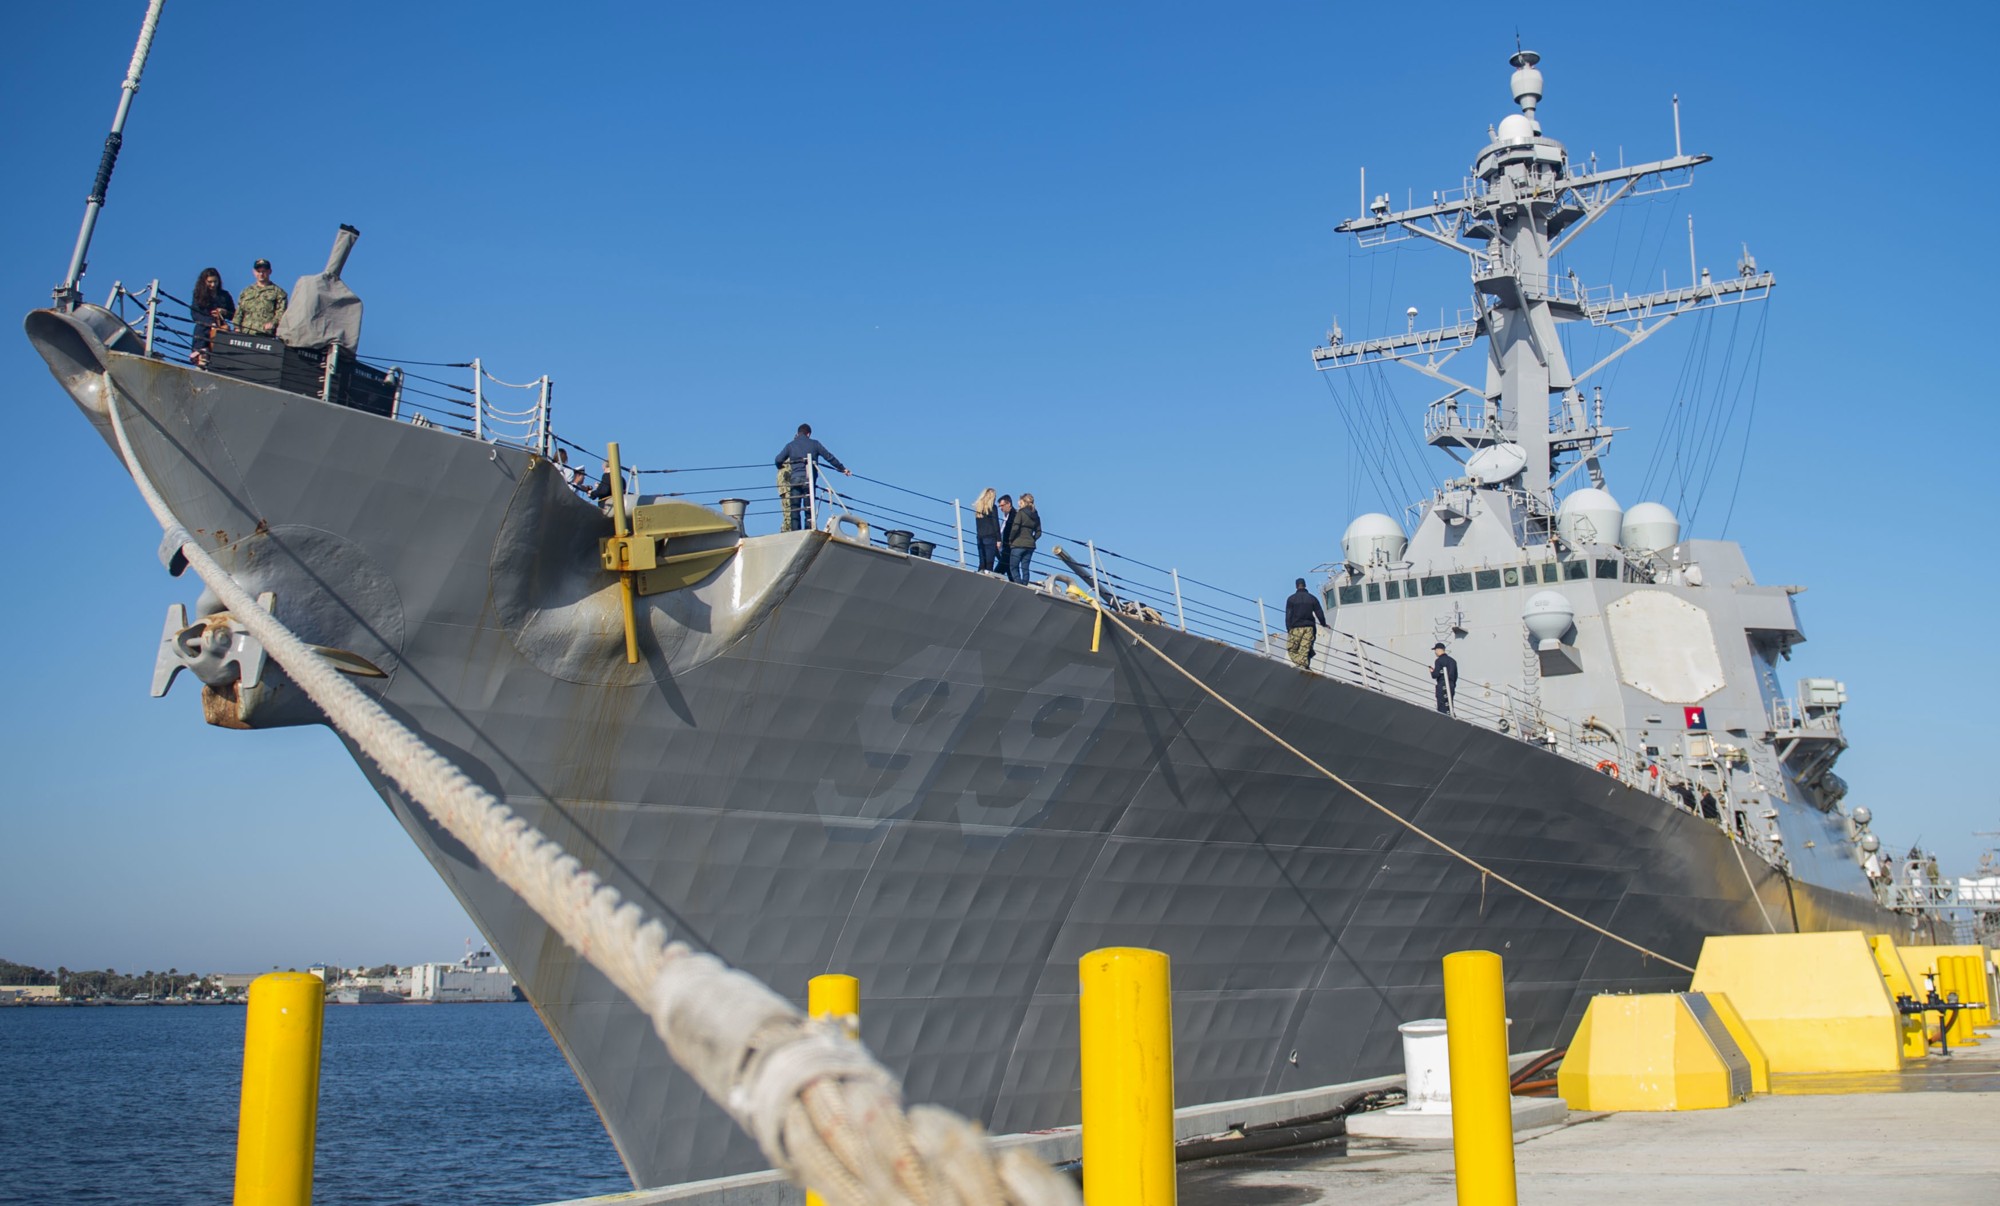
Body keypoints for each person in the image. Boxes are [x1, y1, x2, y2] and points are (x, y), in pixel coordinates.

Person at [774, 423, 850, 533]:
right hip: (808, 480)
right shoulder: (814, 444)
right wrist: (842, 468)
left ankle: (796, 532)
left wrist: (780, 466)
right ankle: (808, 529)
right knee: (808, 508)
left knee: (795, 508)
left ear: (798, 433)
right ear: (808, 434)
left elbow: (778, 459)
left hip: (795, 479)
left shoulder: (790, 445)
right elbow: (829, 457)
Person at [188, 267, 234, 366]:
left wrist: (224, 312)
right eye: (210, 282)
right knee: (203, 357)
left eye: (215, 282)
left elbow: (234, 315)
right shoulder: (198, 294)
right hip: (203, 330)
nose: (213, 285)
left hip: (220, 331)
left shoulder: (225, 295)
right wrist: (210, 323)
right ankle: (200, 357)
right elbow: (195, 314)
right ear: (204, 281)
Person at [235, 258, 288, 335]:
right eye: (258, 271)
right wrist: (237, 327)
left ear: (270, 272)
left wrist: (273, 323)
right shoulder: (246, 292)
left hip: (264, 334)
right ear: (253, 272)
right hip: (245, 333)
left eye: (264, 271)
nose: (261, 274)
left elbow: (281, 313)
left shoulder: (279, 293)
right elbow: (239, 312)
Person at [1284, 578, 1326, 668]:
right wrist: (1323, 624)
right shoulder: (1312, 598)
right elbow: (1320, 613)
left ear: (1296, 586)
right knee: (1305, 650)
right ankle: (1303, 664)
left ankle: (1302, 665)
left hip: (1296, 628)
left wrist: (1288, 628)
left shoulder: (1291, 599)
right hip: (1309, 628)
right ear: (1305, 585)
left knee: (1291, 648)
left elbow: (1288, 615)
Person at [1006, 492, 1040, 583]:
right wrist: (1033, 539)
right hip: (1030, 545)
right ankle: (1025, 584)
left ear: (1023, 502)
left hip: (1018, 543)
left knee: (1013, 566)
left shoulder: (1020, 513)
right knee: (1025, 567)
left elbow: (1015, 528)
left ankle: (1018, 583)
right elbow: (1039, 532)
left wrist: (1010, 539)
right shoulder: (1036, 515)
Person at [972, 488, 1003, 573]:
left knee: (982, 562)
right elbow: (995, 523)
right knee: (989, 564)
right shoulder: (993, 508)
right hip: (990, 537)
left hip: (980, 537)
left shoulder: (979, 508)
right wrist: (999, 539)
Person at [1430, 642, 1458, 714]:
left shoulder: (1439, 661)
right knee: (1449, 704)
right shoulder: (1453, 661)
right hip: (1451, 685)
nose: (1435, 652)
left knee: (1442, 706)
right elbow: (1456, 676)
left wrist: (1431, 671)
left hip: (1442, 684)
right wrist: (1452, 685)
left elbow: (1435, 675)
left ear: (1438, 650)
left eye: (1435, 650)